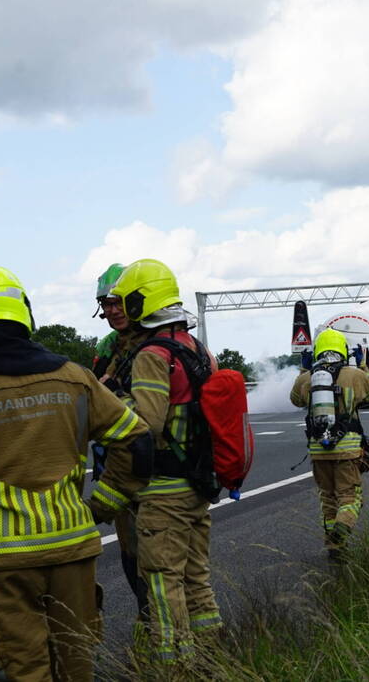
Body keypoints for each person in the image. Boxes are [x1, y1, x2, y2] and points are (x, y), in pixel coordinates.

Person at [0, 264, 153, 680]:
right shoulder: (75, 377)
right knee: (77, 665)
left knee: (23, 670)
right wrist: (100, 506)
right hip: (73, 548)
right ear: (24, 311)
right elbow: (138, 443)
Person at [106, 258, 224, 665]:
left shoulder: (151, 355)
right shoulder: (197, 349)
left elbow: (148, 423)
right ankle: (212, 654)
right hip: (197, 484)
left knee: (161, 581)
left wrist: (113, 404)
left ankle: (175, 663)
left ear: (141, 301)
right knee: (196, 577)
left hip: (163, 490)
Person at [90, 263, 151, 629]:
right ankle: (147, 616)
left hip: (158, 469)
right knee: (130, 548)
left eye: (116, 301)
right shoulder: (112, 347)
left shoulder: (162, 343)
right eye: (104, 303)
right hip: (119, 463)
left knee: (164, 558)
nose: (110, 310)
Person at [289, 328, 369, 561]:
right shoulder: (353, 375)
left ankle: (335, 548)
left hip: (318, 450)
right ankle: (342, 529)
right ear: (343, 350)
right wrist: (363, 366)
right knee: (350, 498)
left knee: (328, 499)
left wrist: (304, 369)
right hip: (347, 449)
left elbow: (295, 399)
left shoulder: (308, 378)